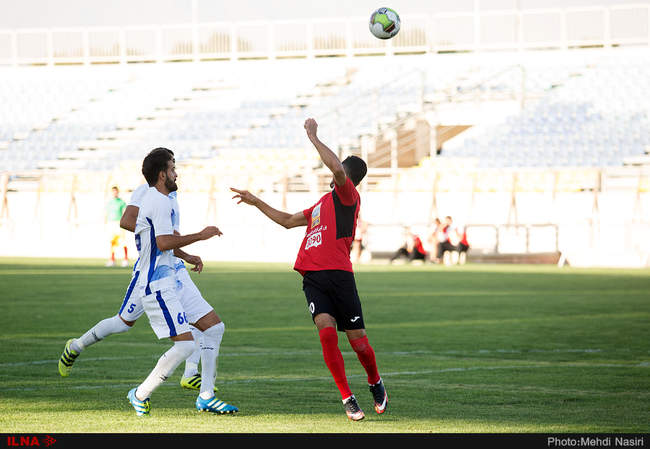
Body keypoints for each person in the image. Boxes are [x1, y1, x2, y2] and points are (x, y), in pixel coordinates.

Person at [231, 118, 387, 422]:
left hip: (340, 275)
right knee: (326, 334)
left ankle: (374, 381)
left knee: (358, 341)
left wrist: (313, 136)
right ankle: (347, 396)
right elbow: (288, 221)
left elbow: (337, 169)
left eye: (339, 170)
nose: (333, 173)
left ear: (347, 177)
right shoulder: (320, 204)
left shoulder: (348, 197)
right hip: (314, 278)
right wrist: (256, 201)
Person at [105, 186, 129, 267]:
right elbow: (106, 214)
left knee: (122, 241)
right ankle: (112, 260)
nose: (114, 193)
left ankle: (125, 259)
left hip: (119, 223)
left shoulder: (121, 202)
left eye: (115, 191)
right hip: (111, 223)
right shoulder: (109, 203)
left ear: (118, 192)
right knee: (112, 242)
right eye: (113, 191)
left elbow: (124, 213)